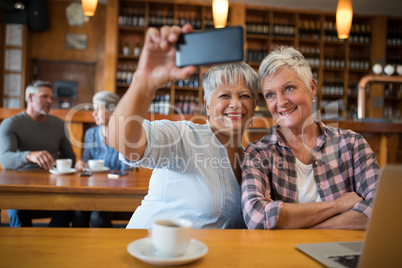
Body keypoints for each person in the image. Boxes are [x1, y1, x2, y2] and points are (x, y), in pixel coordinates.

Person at [108, 24, 259, 229]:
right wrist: (144, 83)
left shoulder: (250, 159)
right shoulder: (185, 136)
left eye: (245, 96)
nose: (236, 104)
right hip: (146, 252)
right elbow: (124, 142)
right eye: (224, 95)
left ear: (254, 106)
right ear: (207, 104)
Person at [241, 46, 380, 230]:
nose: (281, 102)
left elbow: (380, 209)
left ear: (312, 88)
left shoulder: (352, 144)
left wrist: (301, 227)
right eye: (270, 95)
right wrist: (337, 205)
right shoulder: (258, 153)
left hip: (342, 252)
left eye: (289, 88)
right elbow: (257, 217)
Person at [0, 80, 75, 227]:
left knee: (69, 208)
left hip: (54, 184)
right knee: (18, 214)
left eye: (51, 98)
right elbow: (5, 159)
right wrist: (29, 155)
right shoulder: (11, 124)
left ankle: (54, 245)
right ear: (30, 97)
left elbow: (70, 157)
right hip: (21, 186)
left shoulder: (59, 124)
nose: (49, 101)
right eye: (44, 97)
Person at [73, 91, 131, 228]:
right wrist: (80, 164)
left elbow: (127, 174)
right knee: (77, 213)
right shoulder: (91, 134)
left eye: (98, 109)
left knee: (97, 216)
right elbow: (85, 163)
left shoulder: (125, 135)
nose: (94, 114)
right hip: (93, 191)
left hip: (116, 193)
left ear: (112, 111)